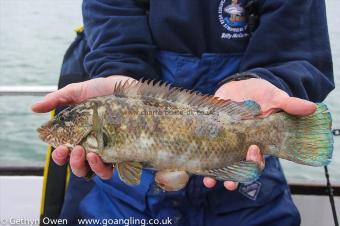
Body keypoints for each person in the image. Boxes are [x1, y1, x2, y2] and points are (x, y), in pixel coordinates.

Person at [32, 0, 334, 225]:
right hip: (126, 202)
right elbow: (114, 41)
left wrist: (271, 82)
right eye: (65, 121)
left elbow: (295, 49)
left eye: (64, 122)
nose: (55, 130)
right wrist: (116, 73)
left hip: (247, 196)